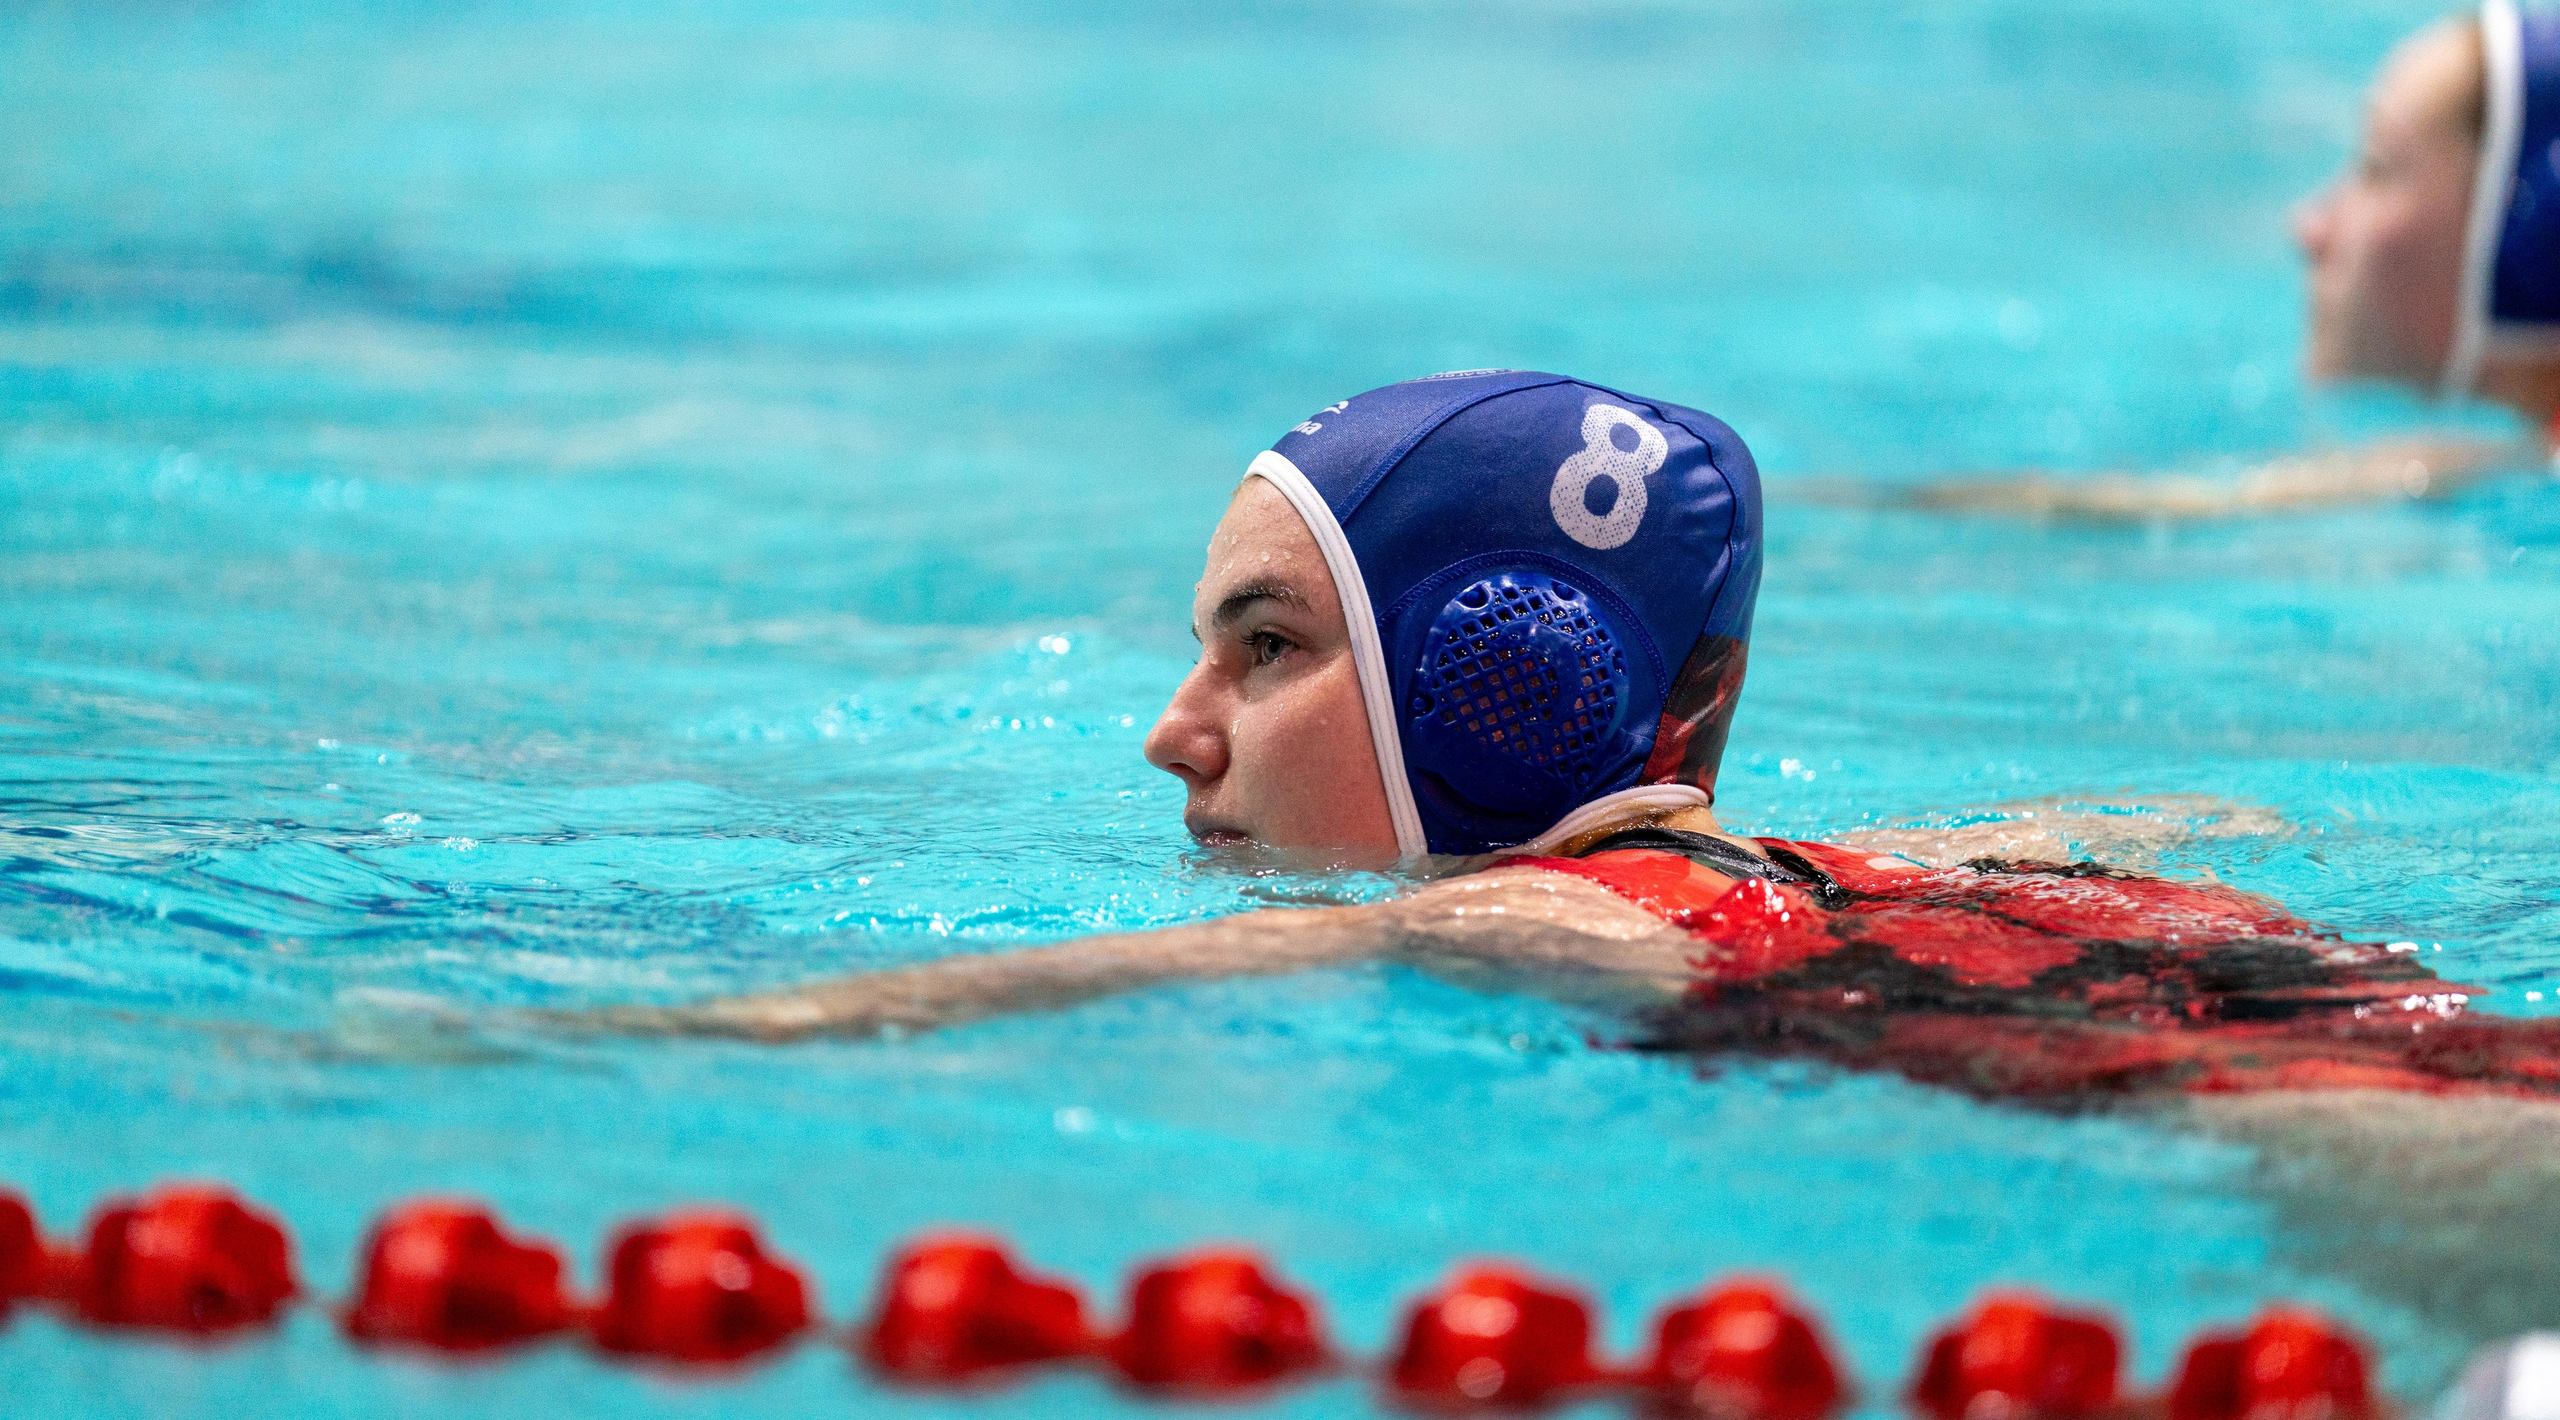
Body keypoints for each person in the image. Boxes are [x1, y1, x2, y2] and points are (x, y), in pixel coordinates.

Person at [592, 371, 2560, 1109]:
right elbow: (2170, 822)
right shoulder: (1779, 877)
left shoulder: (1539, 923)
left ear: (1490, 687)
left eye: (1263, 649)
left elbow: (1028, 993)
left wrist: (579, 1036)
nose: (1165, 737)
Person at [1905, 0, 2560, 520]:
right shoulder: (2490, 465)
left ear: (2531, 247)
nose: (2310, 226)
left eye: (2377, 168)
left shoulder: (2488, 478)